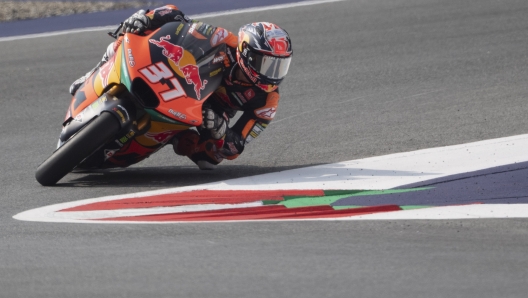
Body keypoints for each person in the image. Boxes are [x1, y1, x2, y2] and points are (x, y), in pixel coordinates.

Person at [69, 5, 293, 170]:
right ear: (246, 52)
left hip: (208, 113)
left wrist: (221, 132)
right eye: (267, 63)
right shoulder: (224, 39)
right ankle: (93, 73)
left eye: (280, 66)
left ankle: (172, 137)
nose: (272, 74)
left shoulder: (267, 101)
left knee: (209, 160)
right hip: (182, 78)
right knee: (131, 35)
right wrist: (146, 18)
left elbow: (237, 146)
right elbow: (179, 18)